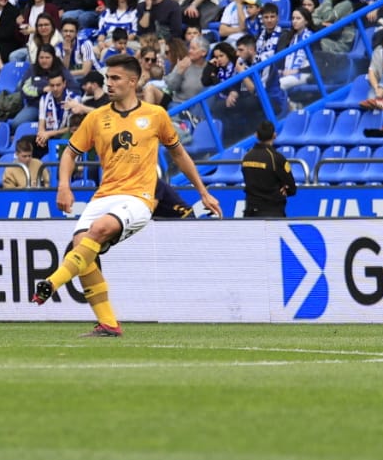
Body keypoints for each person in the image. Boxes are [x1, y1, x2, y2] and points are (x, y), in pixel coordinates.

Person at [31, 55, 222, 336]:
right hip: (104, 195)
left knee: (98, 230)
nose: (109, 83)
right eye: (107, 78)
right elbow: (70, 153)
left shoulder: (155, 115)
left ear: (133, 81)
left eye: (115, 78)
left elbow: (179, 154)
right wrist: (64, 185)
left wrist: (203, 192)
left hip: (139, 197)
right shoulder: (96, 117)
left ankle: (52, 282)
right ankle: (108, 323)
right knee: (80, 247)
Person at [241, 120, 297, 217]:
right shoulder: (276, 158)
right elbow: (291, 187)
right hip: (273, 213)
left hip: (250, 212)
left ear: (256, 135)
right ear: (274, 135)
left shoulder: (246, 157)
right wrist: (287, 190)